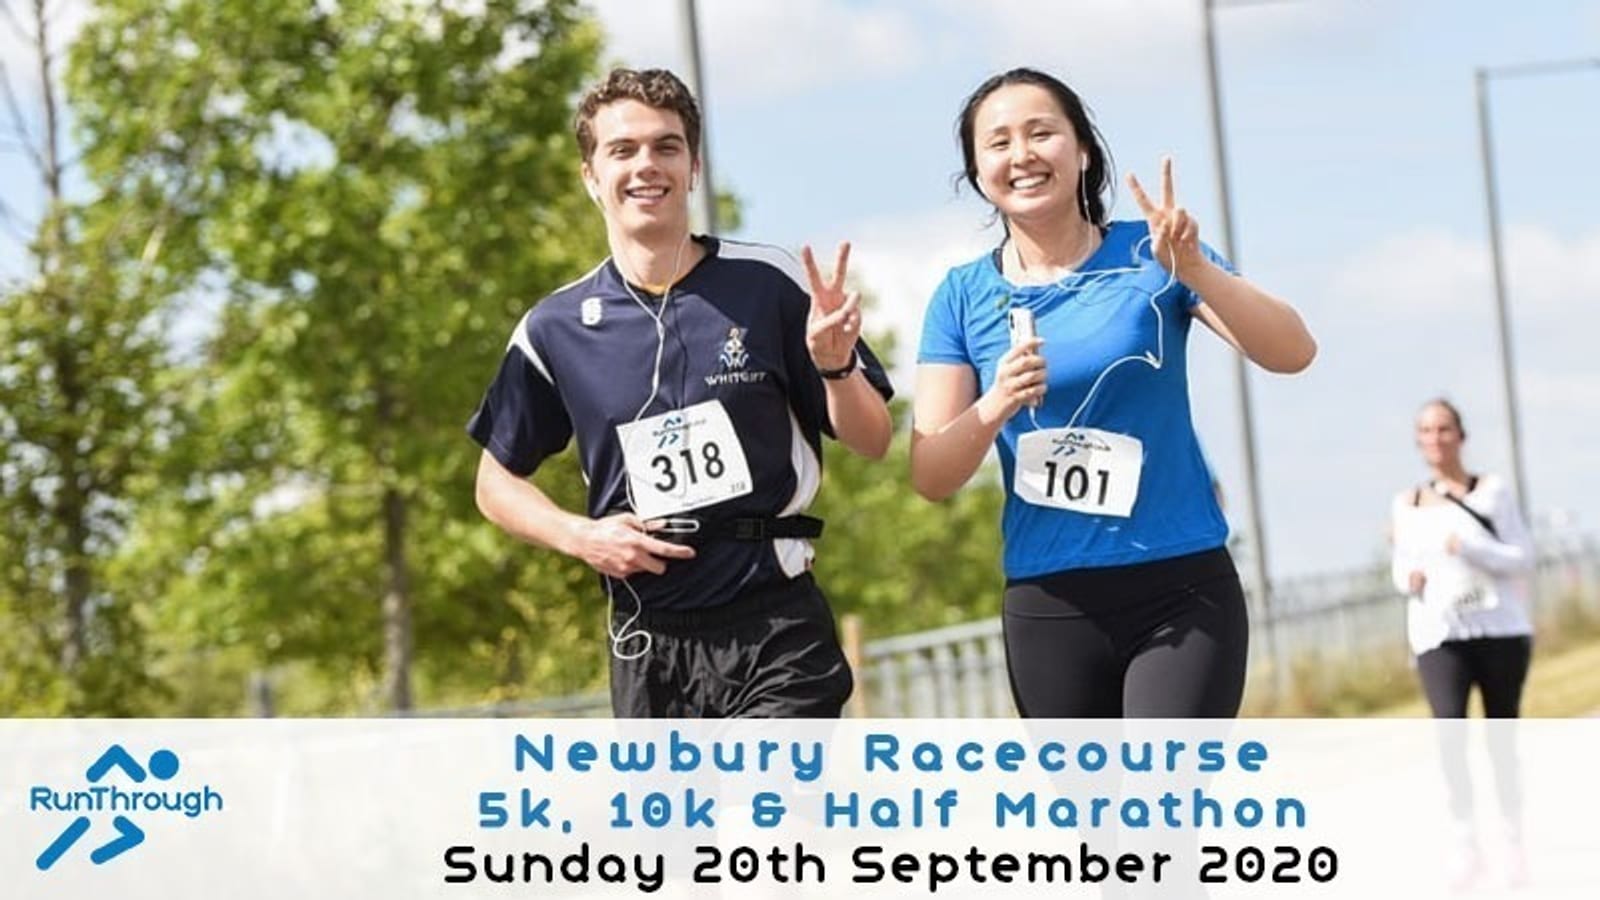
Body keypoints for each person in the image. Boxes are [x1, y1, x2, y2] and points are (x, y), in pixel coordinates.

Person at [467, 68, 893, 718]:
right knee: (671, 825)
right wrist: (580, 536)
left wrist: (836, 368)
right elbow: (495, 485)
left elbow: (873, 440)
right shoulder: (553, 327)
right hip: (647, 641)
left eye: (666, 146)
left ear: (693, 167)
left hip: (775, 631)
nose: (647, 165)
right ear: (590, 176)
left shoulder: (770, 283)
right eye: (623, 150)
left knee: (765, 819)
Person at [910, 68, 1316, 718]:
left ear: (1083, 150)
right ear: (977, 168)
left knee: (1160, 809)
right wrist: (995, 404)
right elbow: (930, 473)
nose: (1023, 155)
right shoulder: (961, 297)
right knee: (1093, 822)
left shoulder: (1152, 253)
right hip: (1050, 600)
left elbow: (1292, 351)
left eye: (1042, 133)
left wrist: (1196, 270)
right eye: (999, 142)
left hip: (1181, 584)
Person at [1389, 398, 1534, 887]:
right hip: (1439, 634)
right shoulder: (1406, 504)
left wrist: (1469, 546)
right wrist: (1405, 577)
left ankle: (1512, 839)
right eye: (1426, 430)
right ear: (1418, 440)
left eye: (1444, 429)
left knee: (1500, 738)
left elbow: (1521, 557)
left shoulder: (1492, 492)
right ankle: (1466, 841)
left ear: (1461, 435)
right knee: (1451, 736)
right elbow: (1399, 566)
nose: (1435, 438)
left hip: (1499, 630)